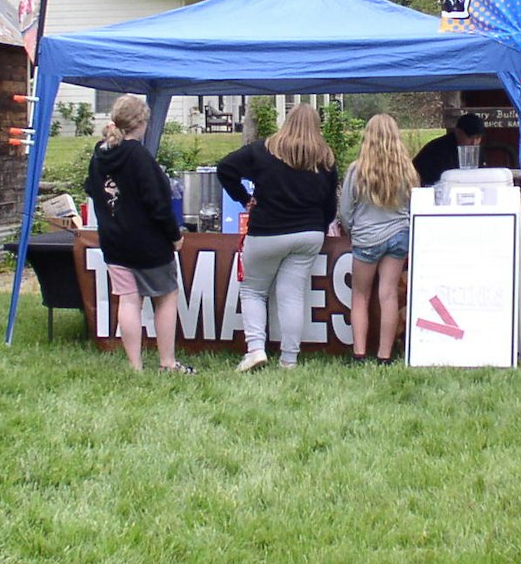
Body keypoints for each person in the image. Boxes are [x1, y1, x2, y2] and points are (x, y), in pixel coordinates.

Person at [216, 102, 337, 372]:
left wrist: (245, 198)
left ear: (287, 121)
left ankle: (256, 349)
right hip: (309, 233)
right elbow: (330, 205)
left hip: (267, 232)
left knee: (253, 291)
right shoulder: (325, 158)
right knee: (292, 295)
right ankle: (289, 359)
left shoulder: (263, 150)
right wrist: (320, 223)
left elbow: (225, 168)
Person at [84, 94, 192, 374]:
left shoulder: (100, 154)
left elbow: (90, 188)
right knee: (166, 296)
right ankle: (167, 362)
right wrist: (174, 235)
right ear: (141, 123)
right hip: (148, 244)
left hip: (113, 240)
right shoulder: (140, 157)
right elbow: (158, 202)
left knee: (128, 300)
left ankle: (135, 367)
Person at [339, 113, 415, 364]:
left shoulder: (357, 170)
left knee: (360, 295)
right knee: (389, 294)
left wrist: (352, 230)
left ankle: (359, 353)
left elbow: (345, 210)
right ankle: (385, 355)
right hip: (399, 235)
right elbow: (414, 205)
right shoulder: (406, 170)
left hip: (367, 238)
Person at [412, 111, 485, 187]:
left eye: (478, 138)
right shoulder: (438, 149)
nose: (474, 143)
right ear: (458, 132)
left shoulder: (477, 151)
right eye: (470, 138)